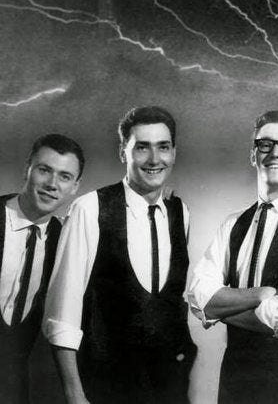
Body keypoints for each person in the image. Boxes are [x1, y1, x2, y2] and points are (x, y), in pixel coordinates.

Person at [43, 106, 196, 404]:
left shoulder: (181, 213)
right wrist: (75, 397)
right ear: (123, 152)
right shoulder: (90, 209)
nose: (154, 159)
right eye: (142, 147)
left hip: (169, 390)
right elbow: (63, 314)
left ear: (174, 152)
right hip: (105, 389)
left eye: (163, 147)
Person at [189, 109, 278, 404]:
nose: (275, 153)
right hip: (236, 381)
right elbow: (196, 297)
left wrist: (220, 311)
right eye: (265, 144)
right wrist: (262, 295)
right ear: (253, 155)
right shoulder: (233, 224)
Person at [0, 134, 83, 404]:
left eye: (65, 177)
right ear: (27, 169)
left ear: (75, 187)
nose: (52, 184)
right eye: (44, 170)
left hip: (14, 390)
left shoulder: (66, 239)